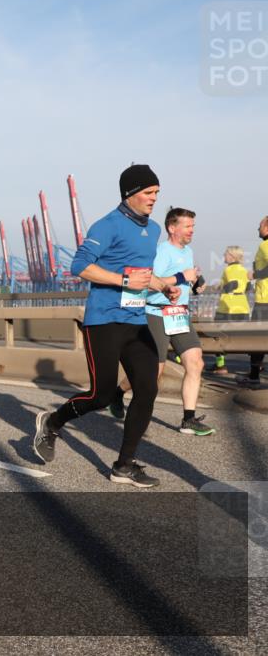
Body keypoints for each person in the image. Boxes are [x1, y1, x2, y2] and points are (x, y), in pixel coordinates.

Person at [32, 164, 180, 488]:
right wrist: (122, 280)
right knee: (100, 396)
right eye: (148, 192)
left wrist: (162, 286)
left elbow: (142, 274)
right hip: (104, 321)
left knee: (148, 388)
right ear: (130, 193)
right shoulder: (108, 225)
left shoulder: (154, 229)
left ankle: (123, 466)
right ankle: (52, 422)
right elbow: (79, 266)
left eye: (157, 192)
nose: (154, 198)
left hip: (136, 321)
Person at [108, 207, 212, 435]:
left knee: (196, 363)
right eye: (187, 226)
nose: (192, 230)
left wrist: (195, 284)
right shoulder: (161, 251)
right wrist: (182, 276)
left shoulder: (188, 251)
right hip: (156, 313)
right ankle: (118, 393)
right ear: (172, 228)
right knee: (154, 371)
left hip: (179, 314)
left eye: (193, 226)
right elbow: (149, 283)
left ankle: (189, 419)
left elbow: (185, 278)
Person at [239, 216, 268, 387]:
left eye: (260, 226)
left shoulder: (265, 245)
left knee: (256, 338)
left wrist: (255, 274)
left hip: (265, 300)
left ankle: (254, 376)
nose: (258, 229)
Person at [212, 246, 250, 376]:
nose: (224, 256)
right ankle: (256, 366)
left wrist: (220, 287)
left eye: (226, 254)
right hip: (243, 308)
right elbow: (248, 288)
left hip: (227, 308)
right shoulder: (244, 270)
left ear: (232, 256)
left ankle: (220, 365)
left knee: (217, 336)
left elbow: (234, 284)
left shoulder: (228, 270)